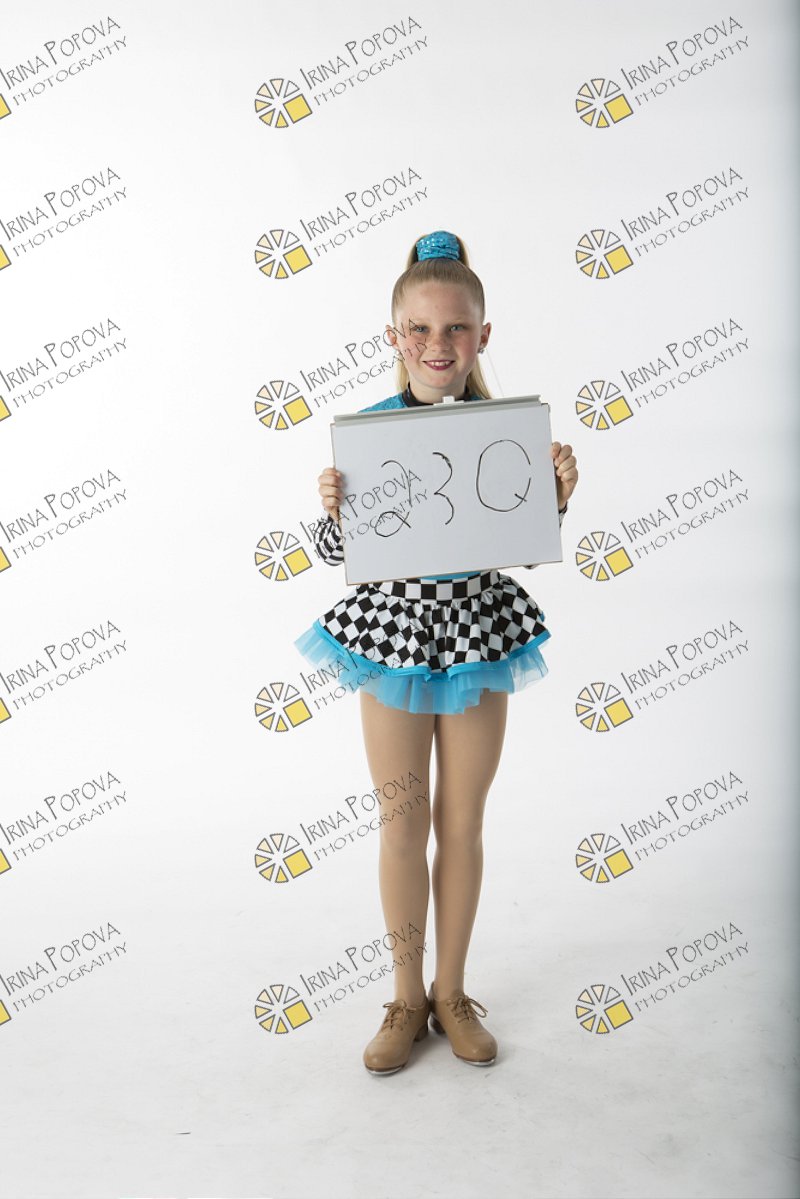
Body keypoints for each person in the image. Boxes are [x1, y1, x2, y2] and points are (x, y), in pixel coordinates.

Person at [294, 230, 579, 1075]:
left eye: (455, 328)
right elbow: (342, 551)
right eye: (419, 329)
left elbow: (523, 546)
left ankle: (451, 992)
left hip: (477, 631)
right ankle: (405, 996)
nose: (437, 344)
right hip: (392, 635)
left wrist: (556, 499)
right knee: (401, 819)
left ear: (482, 335)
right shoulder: (372, 432)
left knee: (462, 820)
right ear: (394, 336)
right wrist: (332, 509)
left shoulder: (506, 430)